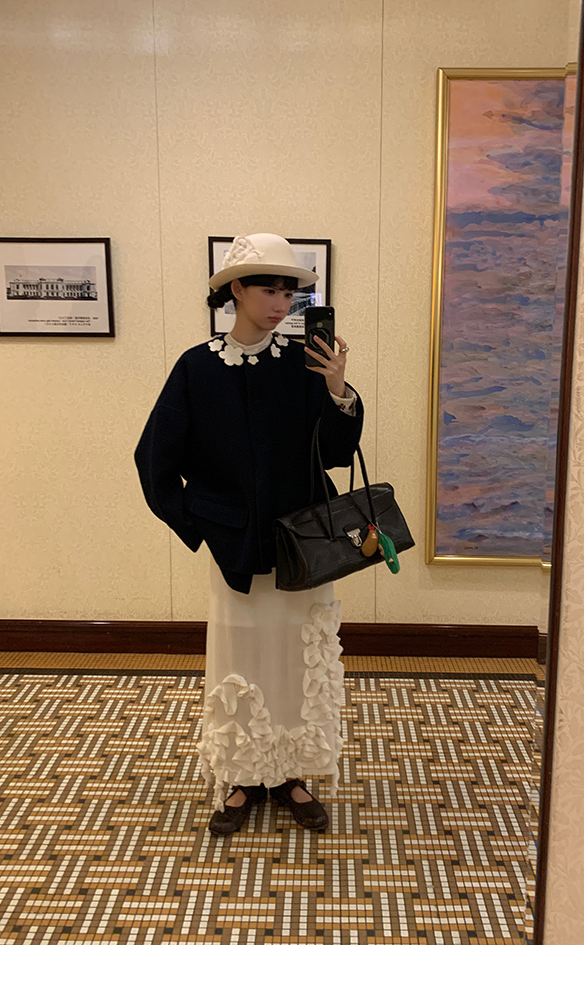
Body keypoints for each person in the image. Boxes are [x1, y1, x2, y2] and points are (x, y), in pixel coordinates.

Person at [134, 233, 363, 836]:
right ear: (236, 289)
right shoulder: (197, 367)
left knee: (294, 654)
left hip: (303, 543)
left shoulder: (304, 362)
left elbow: (336, 454)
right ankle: (241, 776)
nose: (281, 303)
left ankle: (289, 774)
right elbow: (154, 457)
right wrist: (199, 522)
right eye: (269, 289)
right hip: (233, 546)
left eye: (289, 292)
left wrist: (337, 390)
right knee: (241, 653)